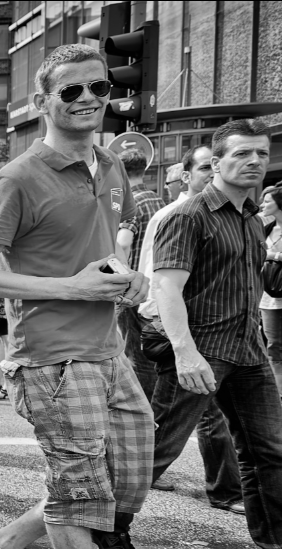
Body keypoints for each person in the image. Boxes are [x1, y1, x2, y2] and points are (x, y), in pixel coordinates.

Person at [0, 44, 177, 549]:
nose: (86, 99)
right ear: (41, 103)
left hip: (109, 350)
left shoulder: (110, 164)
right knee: (83, 494)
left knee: (125, 480)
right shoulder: (18, 177)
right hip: (53, 357)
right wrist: (74, 289)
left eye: (98, 88)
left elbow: (104, 249)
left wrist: (125, 278)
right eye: (71, 91)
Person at [147, 119, 282, 549]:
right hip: (202, 351)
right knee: (154, 449)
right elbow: (166, 287)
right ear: (217, 161)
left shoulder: (250, 219)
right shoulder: (188, 215)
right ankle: (99, 528)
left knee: (270, 452)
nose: (254, 161)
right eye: (242, 153)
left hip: (248, 350)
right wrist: (185, 353)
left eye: (261, 154)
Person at [114, 148, 165, 383]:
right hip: (158, 285)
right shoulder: (159, 201)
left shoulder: (130, 202)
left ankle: (145, 413)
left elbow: (123, 244)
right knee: (155, 350)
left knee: (135, 352)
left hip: (132, 287)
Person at [259, 182, 282, 402]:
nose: (262, 204)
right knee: (273, 343)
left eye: (267, 201)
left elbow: (265, 255)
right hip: (268, 296)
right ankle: (280, 391)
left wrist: (272, 255)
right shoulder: (266, 228)